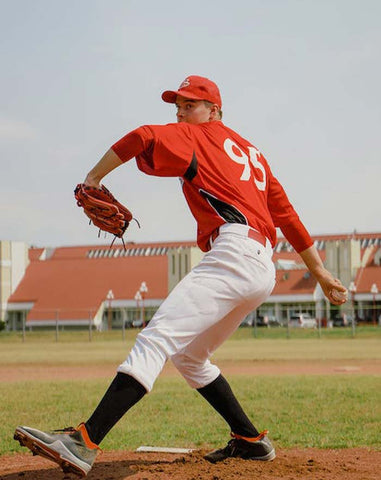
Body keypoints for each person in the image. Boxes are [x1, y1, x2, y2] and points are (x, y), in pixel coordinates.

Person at [14, 75, 347, 477]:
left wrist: (93, 179)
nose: (181, 112)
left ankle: (83, 441)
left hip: (234, 252)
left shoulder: (197, 136)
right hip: (261, 266)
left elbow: (140, 136)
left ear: (214, 111)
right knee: (190, 357)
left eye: (190, 104)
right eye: (178, 105)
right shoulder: (253, 154)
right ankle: (251, 440)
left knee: (155, 339)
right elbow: (286, 216)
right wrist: (322, 273)